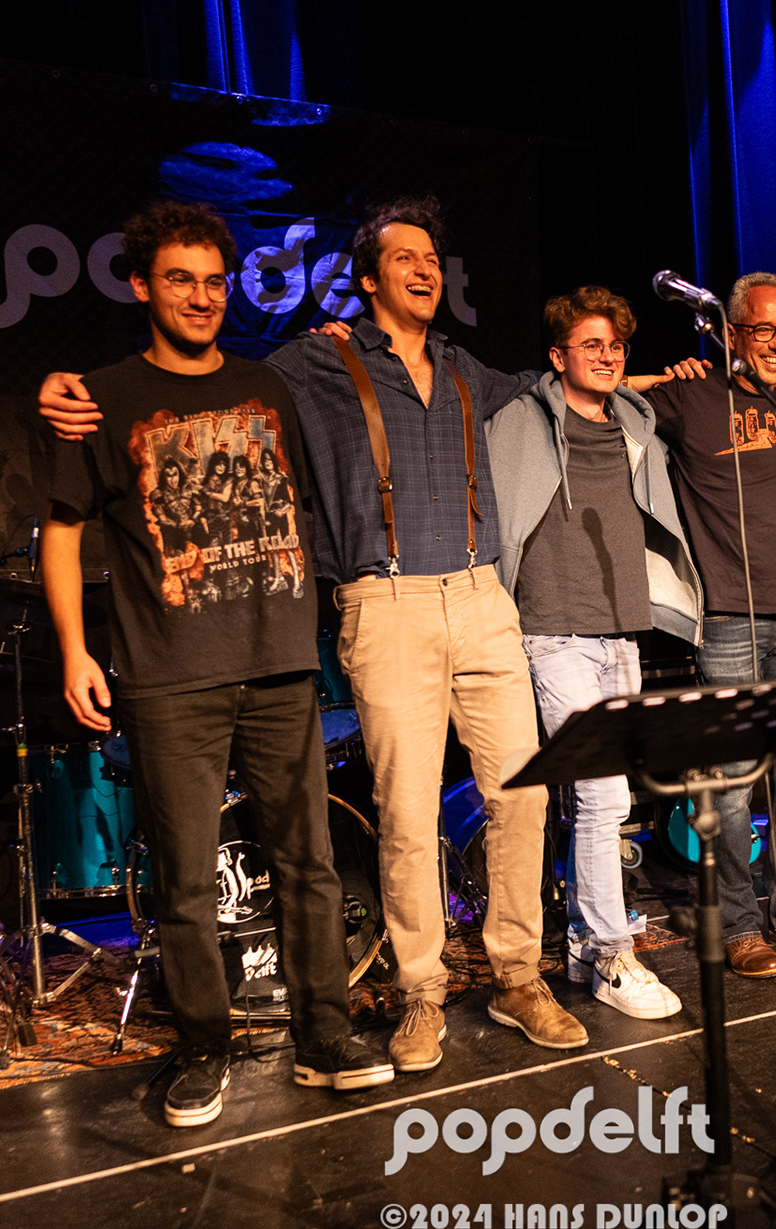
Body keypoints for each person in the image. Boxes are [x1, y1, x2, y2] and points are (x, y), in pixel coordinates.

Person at [40, 198, 690, 1069]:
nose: (424, 270)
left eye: (431, 259)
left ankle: (517, 977)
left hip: (483, 598)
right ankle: (421, 993)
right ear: (367, 278)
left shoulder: (463, 364)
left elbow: (573, 379)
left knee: (523, 794)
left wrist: (678, 377)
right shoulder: (314, 362)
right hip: (386, 604)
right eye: (405, 258)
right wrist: (59, 385)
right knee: (409, 813)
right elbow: (195, 376)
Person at [39, 199, 391, 1129]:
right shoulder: (101, 398)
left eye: (213, 281)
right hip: (171, 677)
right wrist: (75, 651)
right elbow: (63, 532)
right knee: (187, 882)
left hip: (277, 665)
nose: (200, 297)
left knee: (309, 862)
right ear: (139, 286)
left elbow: (298, 506)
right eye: (179, 280)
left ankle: (324, 1036)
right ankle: (204, 1046)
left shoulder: (265, 387)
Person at [487, 286, 703, 1019]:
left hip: (621, 631)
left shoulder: (635, 420)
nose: (608, 357)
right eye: (591, 345)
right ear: (557, 357)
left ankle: (586, 942)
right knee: (602, 794)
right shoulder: (520, 420)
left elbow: (650, 394)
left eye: (616, 346)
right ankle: (613, 953)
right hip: (552, 630)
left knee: (604, 798)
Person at [643, 273, 776, 978]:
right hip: (731, 618)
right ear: (730, 332)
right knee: (731, 782)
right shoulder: (691, 397)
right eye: (763, 329)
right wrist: (665, 375)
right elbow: (600, 391)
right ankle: (738, 924)